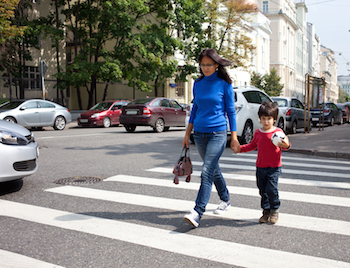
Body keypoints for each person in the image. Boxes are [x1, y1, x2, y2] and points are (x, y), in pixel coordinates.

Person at [182, 48, 240, 228]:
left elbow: (231, 112)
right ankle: (225, 199)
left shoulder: (224, 84)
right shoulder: (197, 83)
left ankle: (197, 212)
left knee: (206, 171)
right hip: (199, 133)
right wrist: (187, 134)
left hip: (218, 133)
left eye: (209, 64)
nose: (205, 68)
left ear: (216, 65)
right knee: (213, 169)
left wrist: (234, 137)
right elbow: (195, 109)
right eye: (202, 65)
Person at [235, 101, 291, 224]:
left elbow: (286, 145)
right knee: (262, 190)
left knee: (271, 189)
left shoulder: (278, 133)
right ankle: (266, 211)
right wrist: (240, 149)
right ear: (259, 118)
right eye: (263, 118)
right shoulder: (258, 132)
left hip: (274, 167)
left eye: (269, 118)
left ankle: (274, 210)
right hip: (260, 167)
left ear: (274, 119)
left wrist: (286, 144)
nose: (266, 121)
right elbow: (252, 145)